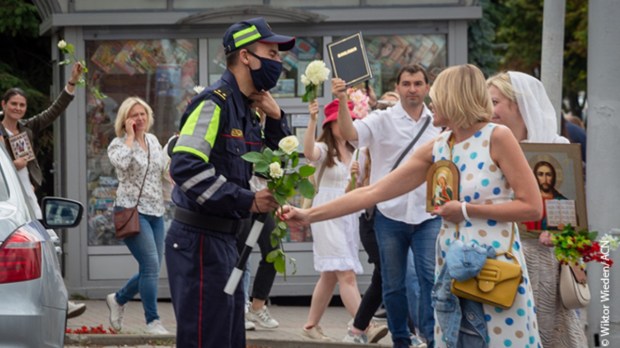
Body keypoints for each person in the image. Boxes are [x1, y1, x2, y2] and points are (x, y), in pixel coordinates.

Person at [281, 64, 544, 348]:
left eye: (437, 94)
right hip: (452, 275)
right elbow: (373, 191)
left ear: (454, 98)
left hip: (494, 272)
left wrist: (466, 210)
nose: (430, 100)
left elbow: (531, 207)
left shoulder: (498, 137)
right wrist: (308, 215)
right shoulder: (440, 145)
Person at [164, 17, 294, 348]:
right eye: (272, 53)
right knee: (208, 339)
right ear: (246, 56)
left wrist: (278, 120)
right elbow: (186, 167)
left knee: (229, 338)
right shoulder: (214, 103)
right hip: (200, 243)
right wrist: (246, 200)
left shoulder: (249, 110)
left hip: (225, 242)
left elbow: (281, 166)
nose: (279, 61)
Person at [332, 63, 441, 348]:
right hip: (389, 215)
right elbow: (349, 134)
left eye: (418, 83)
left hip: (428, 216)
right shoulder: (382, 119)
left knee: (430, 280)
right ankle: (401, 340)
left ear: (427, 88)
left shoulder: (439, 124)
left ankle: (430, 339)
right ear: (398, 88)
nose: (412, 89)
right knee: (393, 285)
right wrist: (343, 100)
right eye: (406, 84)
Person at [487, 71, 588, 347]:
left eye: (494, 101)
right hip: (499, 257)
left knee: (547, 333)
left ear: (519, 105)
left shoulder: (557, 148)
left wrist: (562, 236)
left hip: (543, 261)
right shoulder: (488, 147)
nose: (489, 110)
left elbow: (572, 219)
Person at [0, 62, 87, 319]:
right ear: (3, 105)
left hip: (29, 195)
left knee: (47, 243)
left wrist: (71, 83)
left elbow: (54, 111)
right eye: (13, 104)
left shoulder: (27, 127)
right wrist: (12, 163)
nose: (17, 108)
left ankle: (60, 299)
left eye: (21, 105)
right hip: (7, 198)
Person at [300, 98, 363, 341]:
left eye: (350, 120)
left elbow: (354, 190)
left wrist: (356, 177)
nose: (347, 124)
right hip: (326, 214)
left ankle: (310, 326)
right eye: (341, 120)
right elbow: (308, 151)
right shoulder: (324, 149)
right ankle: (363, 324)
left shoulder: (353, 150)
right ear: (331, 123)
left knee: (329, 274)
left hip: (347, 214)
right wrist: (312, 120)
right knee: (345, 273)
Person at [105, 97, 169, 335]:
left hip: (156, 211)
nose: (139, 118)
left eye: (142, 114)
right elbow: (121, 165)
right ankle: (152, 321)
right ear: (125, 119)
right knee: (151, 266)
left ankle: (119, 299)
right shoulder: (118, 144)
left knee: (150, 267)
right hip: (131, 210)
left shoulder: (153, 140)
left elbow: (161, 171)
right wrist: (130, 138)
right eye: (134, 115)